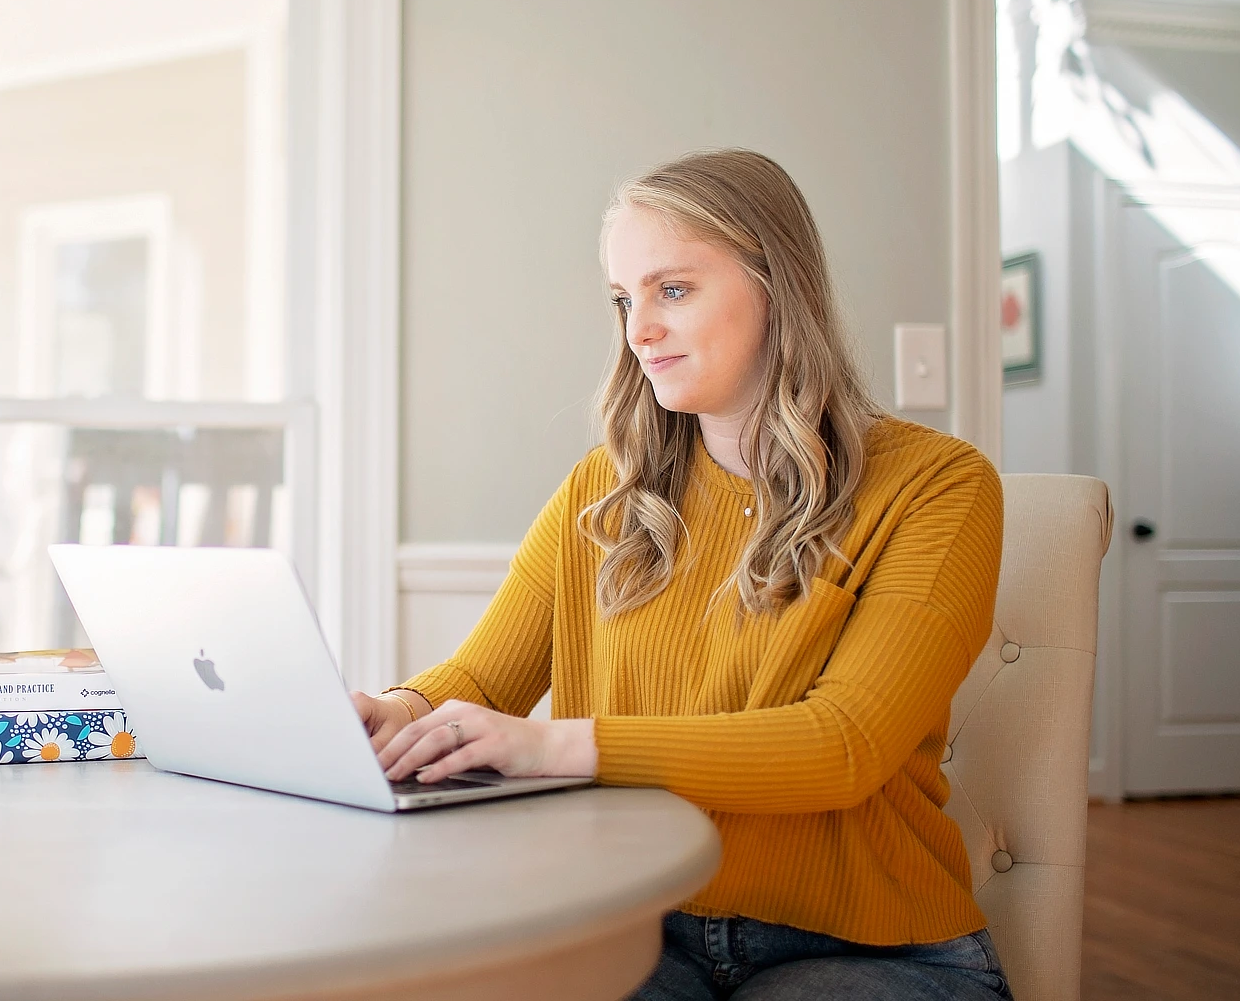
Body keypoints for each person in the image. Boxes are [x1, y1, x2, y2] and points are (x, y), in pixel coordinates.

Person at [352, 149, 1011, 1000]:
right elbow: (485, 676)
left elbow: (844, 746)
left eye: (673, 290)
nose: (638, 332)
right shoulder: (605, 490)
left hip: (868, 948)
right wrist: (397, 712)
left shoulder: (935, 486)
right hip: (637, 922)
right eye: (625, 300)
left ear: (780, 286)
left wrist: (557, 747)